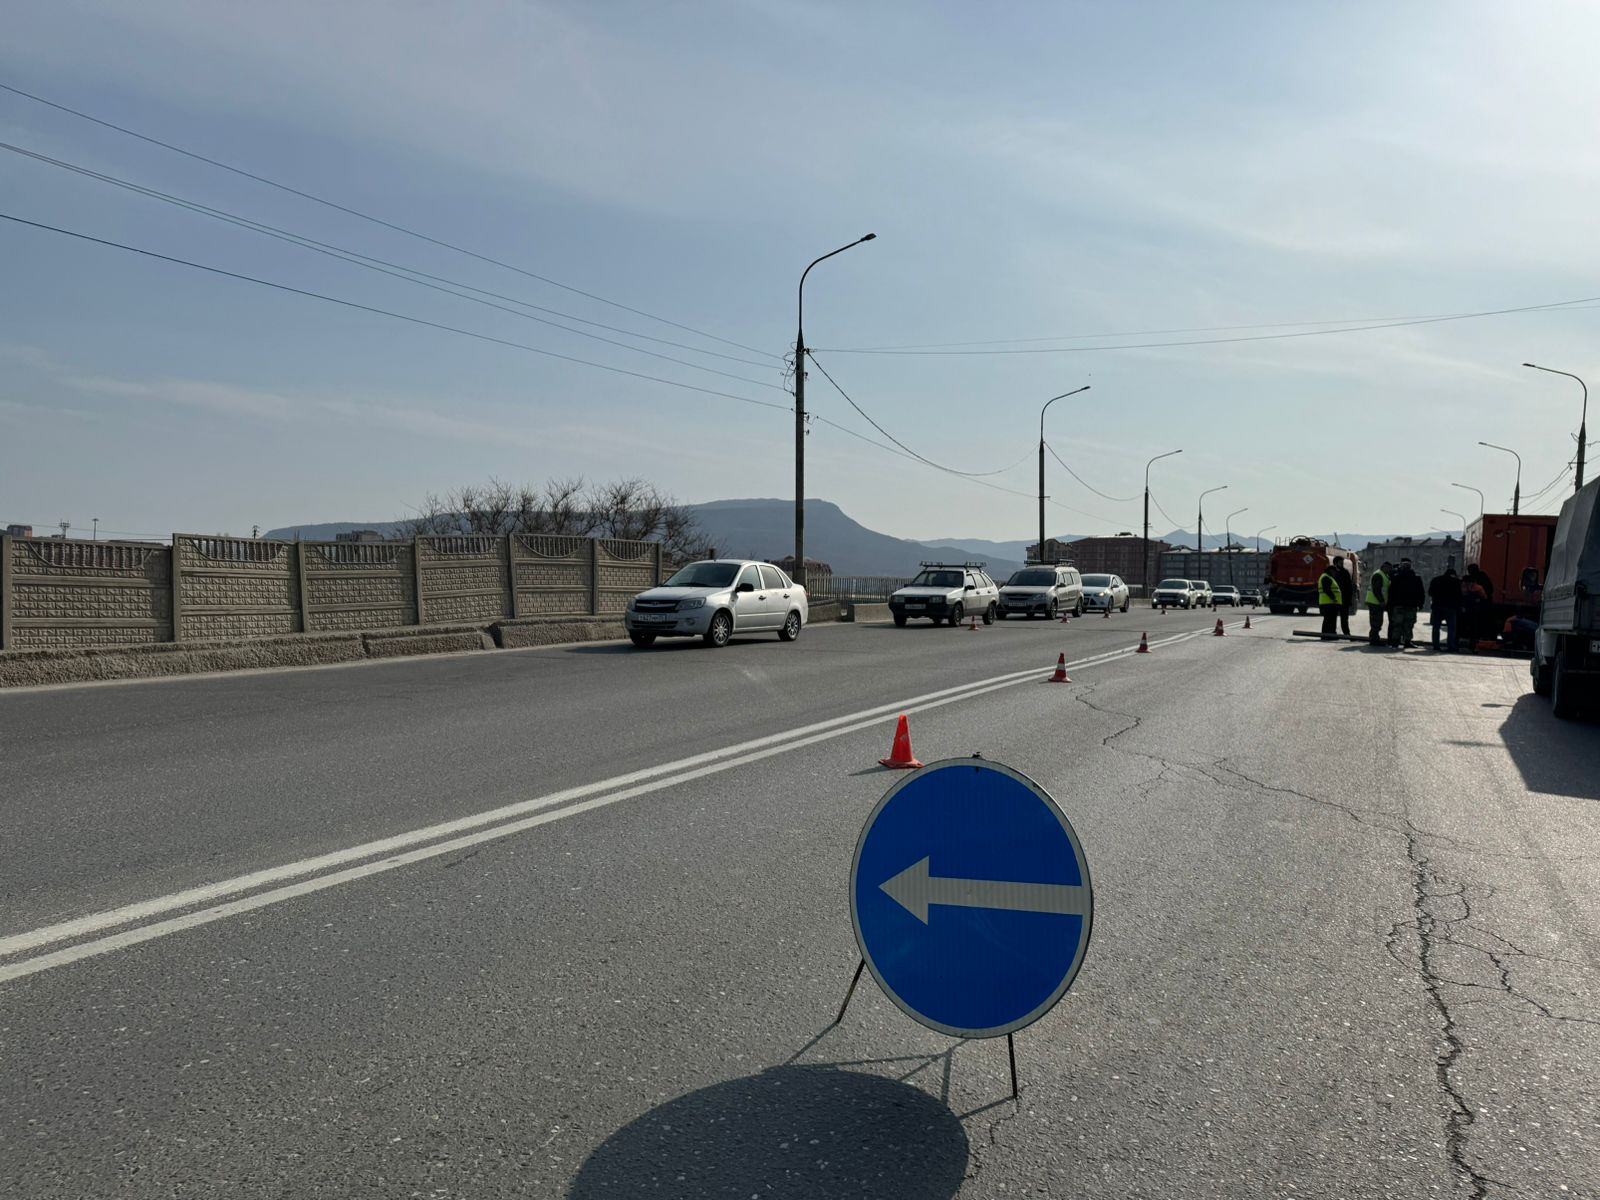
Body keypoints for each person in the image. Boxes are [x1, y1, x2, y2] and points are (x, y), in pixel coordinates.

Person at [1388, 558, 1425, 648]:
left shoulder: (1396, 577)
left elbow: (1391, 592)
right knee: (1409, 624)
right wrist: (1420, 604)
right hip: (1411, 605)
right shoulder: (1416, 578)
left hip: (1398, 605)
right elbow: (1421, 592)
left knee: (1397, 624)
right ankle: (1407, 641)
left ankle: (1395, 642)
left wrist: (1391, 604)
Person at [1428, 566, 1461, 652]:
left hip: (1437, 607)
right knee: (1451, 628)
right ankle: (1451, 646)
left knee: (1436, 627)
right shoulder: (1456, 582)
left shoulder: (1436, 580)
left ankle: (1436, 645)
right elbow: (1459, 595)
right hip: (1451, 607)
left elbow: (1430, 592)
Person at [1460, 565, 1488, 654]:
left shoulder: (1463, 587)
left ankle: (1463, 644)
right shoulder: (1478, 587)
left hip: (1467, 611)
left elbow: (1461, 597)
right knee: (1474, 629)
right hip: (1475, 611)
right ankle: (1473, 646)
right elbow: (1484, 597)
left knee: (1465, 627)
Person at [1366, 560, 1392, 645]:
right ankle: (1374, 640)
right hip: (1375, 602)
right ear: (1384, 567)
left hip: (1376, 602)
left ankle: (1374, 638)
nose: (1390, 570)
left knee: (1377, 621)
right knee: (1376, 622)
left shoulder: (1384, 575)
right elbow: (1376, 589)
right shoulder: (1378, 575)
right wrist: (1381, 601)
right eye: (1389, 568)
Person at [1330, 556, 1355, 638]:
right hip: (1334, 599)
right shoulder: (1331, 572)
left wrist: (1350, 599)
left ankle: (1346, 634)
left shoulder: (1345, 572)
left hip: (1344, 599)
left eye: (1342, 563)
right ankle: (1332, 633)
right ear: (1335, 563)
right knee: (1332, 618)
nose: (1342, 564)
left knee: (1344, 618)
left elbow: (1349, 587)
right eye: (1340, 562)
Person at [1317, 562, 1344, 640]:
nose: (1336, 573)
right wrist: (1333, 598)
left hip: (1329, 603)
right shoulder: (1326, 577)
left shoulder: (1328, 577)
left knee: (1330, 620)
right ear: (1331, 571)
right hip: (1329, 603)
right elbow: (1327, 589)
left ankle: (1329, 634)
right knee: (1329, 620)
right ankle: (1329, 635)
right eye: (1335, 571)